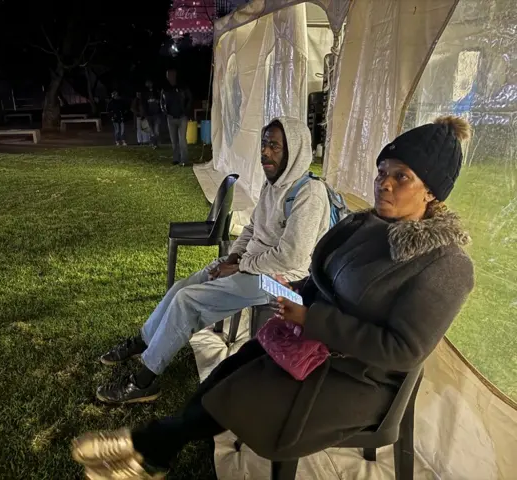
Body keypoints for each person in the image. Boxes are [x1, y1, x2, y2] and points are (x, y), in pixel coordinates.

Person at [72, 116, 475, 479]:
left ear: (431, 192)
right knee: (225, 373)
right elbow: (312, 269)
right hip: (310, 337)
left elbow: (402, 350)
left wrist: (305, 314)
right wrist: (274, 285)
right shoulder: (365, 223)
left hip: (358, 377)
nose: (384, 182)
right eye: (382, 171)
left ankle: (149, 444)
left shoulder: (445, 264)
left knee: (239, 390)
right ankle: (156, 443)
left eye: (401, 176)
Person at [96, 117, 331, 404]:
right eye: (264, 144)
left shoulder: (309, 193)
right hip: (254, 267)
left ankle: (144, 381)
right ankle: (143, 340)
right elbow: (251, 229)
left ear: (294, 150)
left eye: (275, 146)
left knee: (188, 301)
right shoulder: (274, 184)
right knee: (182, 286)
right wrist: (232, 257)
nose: (265, 152)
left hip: (285, 283)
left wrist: (239, 266)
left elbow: (290, 257)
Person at [161, 69, 192, 165]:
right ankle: (176, 158)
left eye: (172, 75)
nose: (170, 77)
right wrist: (165, 112)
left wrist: (186, 111)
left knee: (182, 139)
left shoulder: (183, 87)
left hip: (182, 117)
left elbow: (190, 98)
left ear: (175, 75)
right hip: (171, 117)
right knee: (174, 140)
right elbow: (162, 102)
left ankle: (184, 159)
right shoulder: (165, 89)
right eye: (168, 75)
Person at [142, 80, 162, 149]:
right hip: (149, 115)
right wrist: (145, 114)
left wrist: (157, 101)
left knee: (156, 131)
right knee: (152, 131)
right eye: (147, 83)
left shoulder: (156, 91)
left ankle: (155, 143)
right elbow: (143, 104)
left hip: (156, 114)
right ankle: (154, 144)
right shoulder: (144, 93)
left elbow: (161, 100)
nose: (149, 84)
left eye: (150, 83)